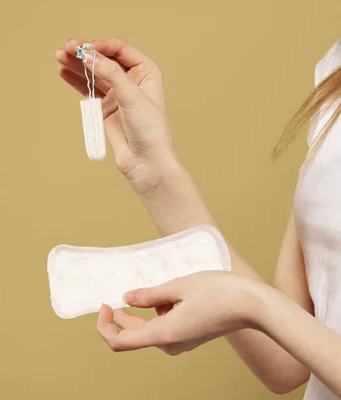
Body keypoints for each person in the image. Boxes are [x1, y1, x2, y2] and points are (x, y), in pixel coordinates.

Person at [55, 37, 341, 400]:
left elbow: (268, 314)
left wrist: (250, 303)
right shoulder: (334, 66)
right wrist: (152, 167)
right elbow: (286, 358)